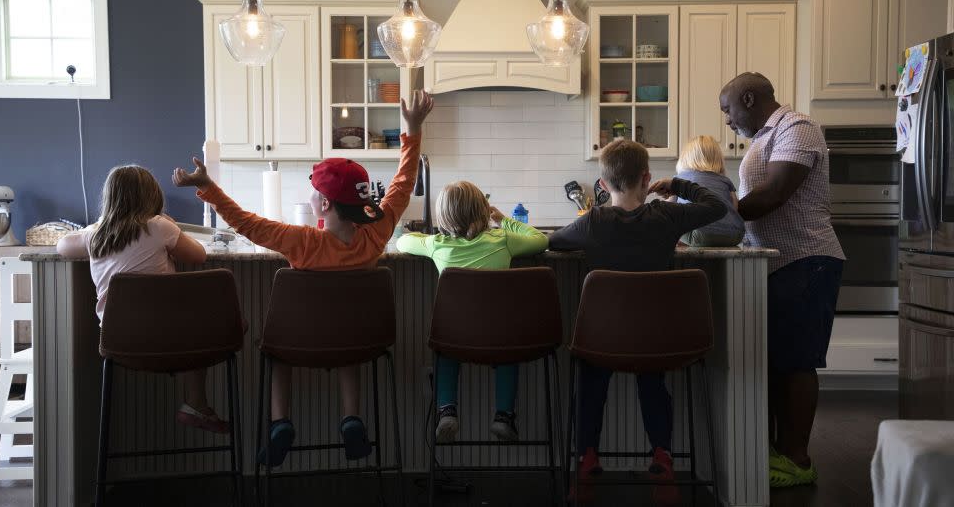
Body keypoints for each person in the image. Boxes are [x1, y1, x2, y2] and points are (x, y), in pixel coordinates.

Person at [173, 90, 434, 468]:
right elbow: (403, 183)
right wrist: (412, 130)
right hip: (356, 339)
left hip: (299, 343)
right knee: (349, 340)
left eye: (314, 192)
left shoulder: (300, 241)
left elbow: (245, 223)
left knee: (276, 347)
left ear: (325, 205)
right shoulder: (378, 234)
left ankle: (281, 421)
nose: (310, 196)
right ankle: (351, 417)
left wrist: (210, 188)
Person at [547, 139, 726, 505]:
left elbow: (551, 243)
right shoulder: (668, 216)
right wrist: (676, 185)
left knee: (591, 376)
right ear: (646, 179)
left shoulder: (593, 221)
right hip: (657, 339)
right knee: (652, 377)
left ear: (602, 184)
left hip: (602, 340)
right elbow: (716, 206)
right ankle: (661, 457)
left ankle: (586, 459)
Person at [720, 72, 844, 488]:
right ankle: (780, 453)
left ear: (749, 99)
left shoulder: (798, 128)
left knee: (796, 364)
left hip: (807, 260)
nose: (727, 121)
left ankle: (797, 459)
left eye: (728, 110)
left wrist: (716, 208)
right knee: (778, 362)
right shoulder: (762, 139)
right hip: (780, 264)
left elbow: (772, 195)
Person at [56, 166, 226, 433]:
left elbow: (62, 246)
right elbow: (199, 255)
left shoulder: (95, 236)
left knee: (190, 323)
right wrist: (169, 225)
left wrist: (98, 225)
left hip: (117, 341)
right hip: (170, 338)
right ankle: (196, 403)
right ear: (152, 197)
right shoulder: (159, 227)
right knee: (199, 324)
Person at [396, 181, 548, 443]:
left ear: (442, 216)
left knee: (445, 347)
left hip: (455, 337)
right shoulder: (503, 239)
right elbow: (541, 240)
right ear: (483, 212)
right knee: (508, 349)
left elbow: (402, 242)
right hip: (500, 336)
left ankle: (447, 411)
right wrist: (504, 220)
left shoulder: (437, 244)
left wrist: (428, 236)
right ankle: (503, 416)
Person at [674, 135, 745, 247]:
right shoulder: (725, 180)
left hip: (700, 234)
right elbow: (734, 207)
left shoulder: (680, 179)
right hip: (735, 235)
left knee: (672, 223)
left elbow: (669, 208)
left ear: (684, 158)